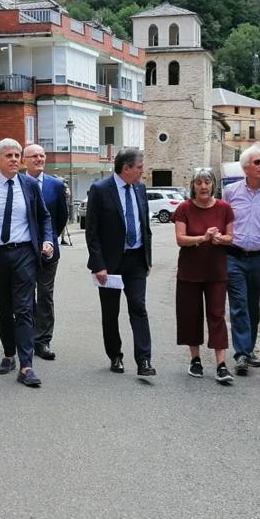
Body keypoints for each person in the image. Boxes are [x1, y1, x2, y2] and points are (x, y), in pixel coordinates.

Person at [0, 138, 55, 388]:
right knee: (4, 310)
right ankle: (9, 354)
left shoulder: (29, 185)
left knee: (25, 308)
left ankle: (27, 366)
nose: (15, 159)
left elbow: (44, 218)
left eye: (17, 155)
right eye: (9, 156)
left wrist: (47, 241)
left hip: (24, 254)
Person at [86, 147, 154, 376]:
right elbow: (92, 232)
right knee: (110, 312)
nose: (143, 171)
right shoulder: (100, 189)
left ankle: (144, 360)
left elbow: (145, 225)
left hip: (136, 260)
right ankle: (115, 356)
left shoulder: (140, 188)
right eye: (139, 167)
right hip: (110, 263)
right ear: (126, 168)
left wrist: (148, 259)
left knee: (139, 308)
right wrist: (99, 265)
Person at [173, 168, 236, 384]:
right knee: (191, 315)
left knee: (217, 315)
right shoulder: (184, 208)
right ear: (193, 185)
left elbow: (231, 236)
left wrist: (220, 239)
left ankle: (221, 364)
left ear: (213, 185)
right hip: (190, 271)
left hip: (216, 270)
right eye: (199, 182)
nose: (203, 186)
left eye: (207, 182)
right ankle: (195, 360)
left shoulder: (224, 208)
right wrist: (203, 237)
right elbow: (180, 239)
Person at [223, 144, 260, 376]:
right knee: (239, 304)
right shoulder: (230, 192)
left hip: (259, 257)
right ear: (246, 167)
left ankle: (249, 347)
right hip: (234, 255)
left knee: (253, 304)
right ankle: (242, 354)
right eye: (257, 162)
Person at [22, 143, 69, 360]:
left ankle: (43, 341)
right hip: (23, 250)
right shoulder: (18, 184)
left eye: (42, 156)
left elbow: (61, 217)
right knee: (25, 296)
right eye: (34, 156)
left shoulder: (56, 186)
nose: (39, 159)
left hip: (48, 250)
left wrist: (49, 240)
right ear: (25, 160)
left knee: (45, 295)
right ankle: (26, 337)